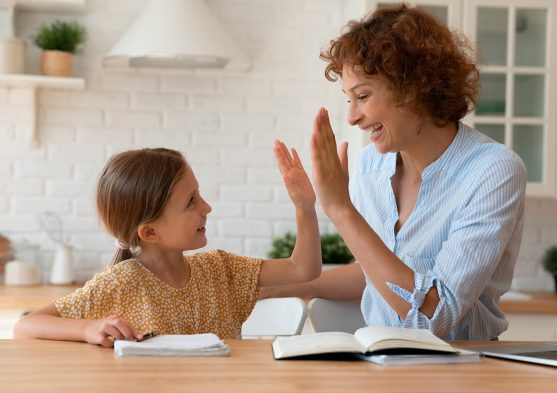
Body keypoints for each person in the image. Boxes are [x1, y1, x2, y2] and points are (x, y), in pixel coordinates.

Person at [263, 3, 527, 341]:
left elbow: (434, 317)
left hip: (464, 373)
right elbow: (376, 274)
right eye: (349, 100)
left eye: (363, 96)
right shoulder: (371, 166)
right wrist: (276, 289)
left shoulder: (493, 171)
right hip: (380, 368)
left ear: (414, 87)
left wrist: (339, 209)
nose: (352, 117)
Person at [14, 144, 321, 346]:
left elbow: (303, 269)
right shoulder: (122, 282)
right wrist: (86, 329)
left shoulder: (221, 269)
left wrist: (304, 208)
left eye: (198, 194)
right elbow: (26, 327)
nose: (207, 207)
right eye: (191, 201)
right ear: (150, 233)